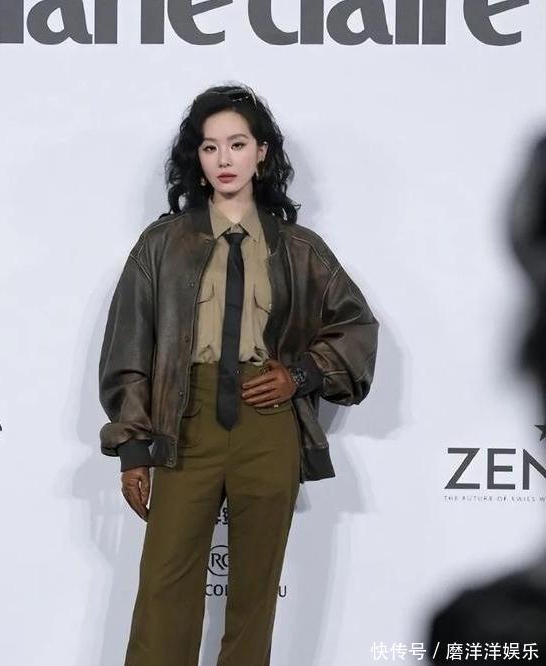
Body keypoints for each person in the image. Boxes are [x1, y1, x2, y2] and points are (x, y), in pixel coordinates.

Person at [98, 82, 379, 666]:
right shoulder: (161, 245)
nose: (224, 159)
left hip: (267, 425)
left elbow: (356, 327)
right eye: (210, 147)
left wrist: (301, 374)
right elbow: (129, 346)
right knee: (163, 589)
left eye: (237, 144)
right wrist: (132, 447)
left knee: (255, 595)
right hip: (184, 424)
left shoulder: (299, 248)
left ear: (262, 154)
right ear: (196, 160)